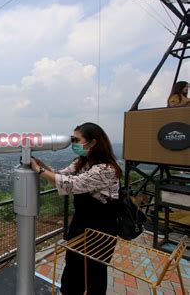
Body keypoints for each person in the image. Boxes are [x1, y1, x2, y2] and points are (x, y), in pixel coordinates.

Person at [31, 122, 121, 295]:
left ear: (92, 142)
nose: (73, 143)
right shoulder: (82, 162)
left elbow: (72, 184)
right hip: (81, 225)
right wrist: (39, 163)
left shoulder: (106, 169)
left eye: (76, 140)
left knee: (94, 272)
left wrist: (39, 170)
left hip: (101, 230)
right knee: (73, 267)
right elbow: (61, 175)